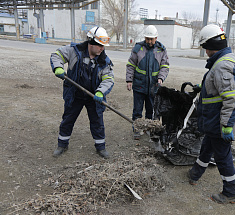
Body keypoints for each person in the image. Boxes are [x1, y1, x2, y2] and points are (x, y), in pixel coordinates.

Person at [187, 24, 235, 204]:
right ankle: (195, 173)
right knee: (207, 146)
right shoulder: (227, 59)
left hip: (220, 121)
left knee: (222, 156)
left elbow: (232, 98)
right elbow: (218, 87)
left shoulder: (222, 65)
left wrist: (226, 126)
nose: (206, 52)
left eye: (206, 48)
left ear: (212, 45)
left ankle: (230, 192)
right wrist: (201, 87)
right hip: (214, 120)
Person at [50, 26, 114, 158]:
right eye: (100, 45)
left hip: (94, 97)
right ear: (91, 42)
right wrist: (58, 67)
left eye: (103, 46)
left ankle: (100, 147)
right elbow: (57, 55)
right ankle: (62, 144)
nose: (102, 48)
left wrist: (101, 92)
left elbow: (108, 79)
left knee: (97, 122)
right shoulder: (74, 51)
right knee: (68, 119)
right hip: (75, 94)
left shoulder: (104, 61)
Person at [126, 25, 169, 140]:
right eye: (147, 39)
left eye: (151, 39)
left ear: (156, 38)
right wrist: (129, 80)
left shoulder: (161, 50)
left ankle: (149, 129)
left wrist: (161, 78)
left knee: (151, 110)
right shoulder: (138, 48)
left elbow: (165, 67)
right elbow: (131, 65)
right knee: (137, 109)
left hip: (153, 86)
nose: (149, 41)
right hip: (139, 85)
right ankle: (137, 129)